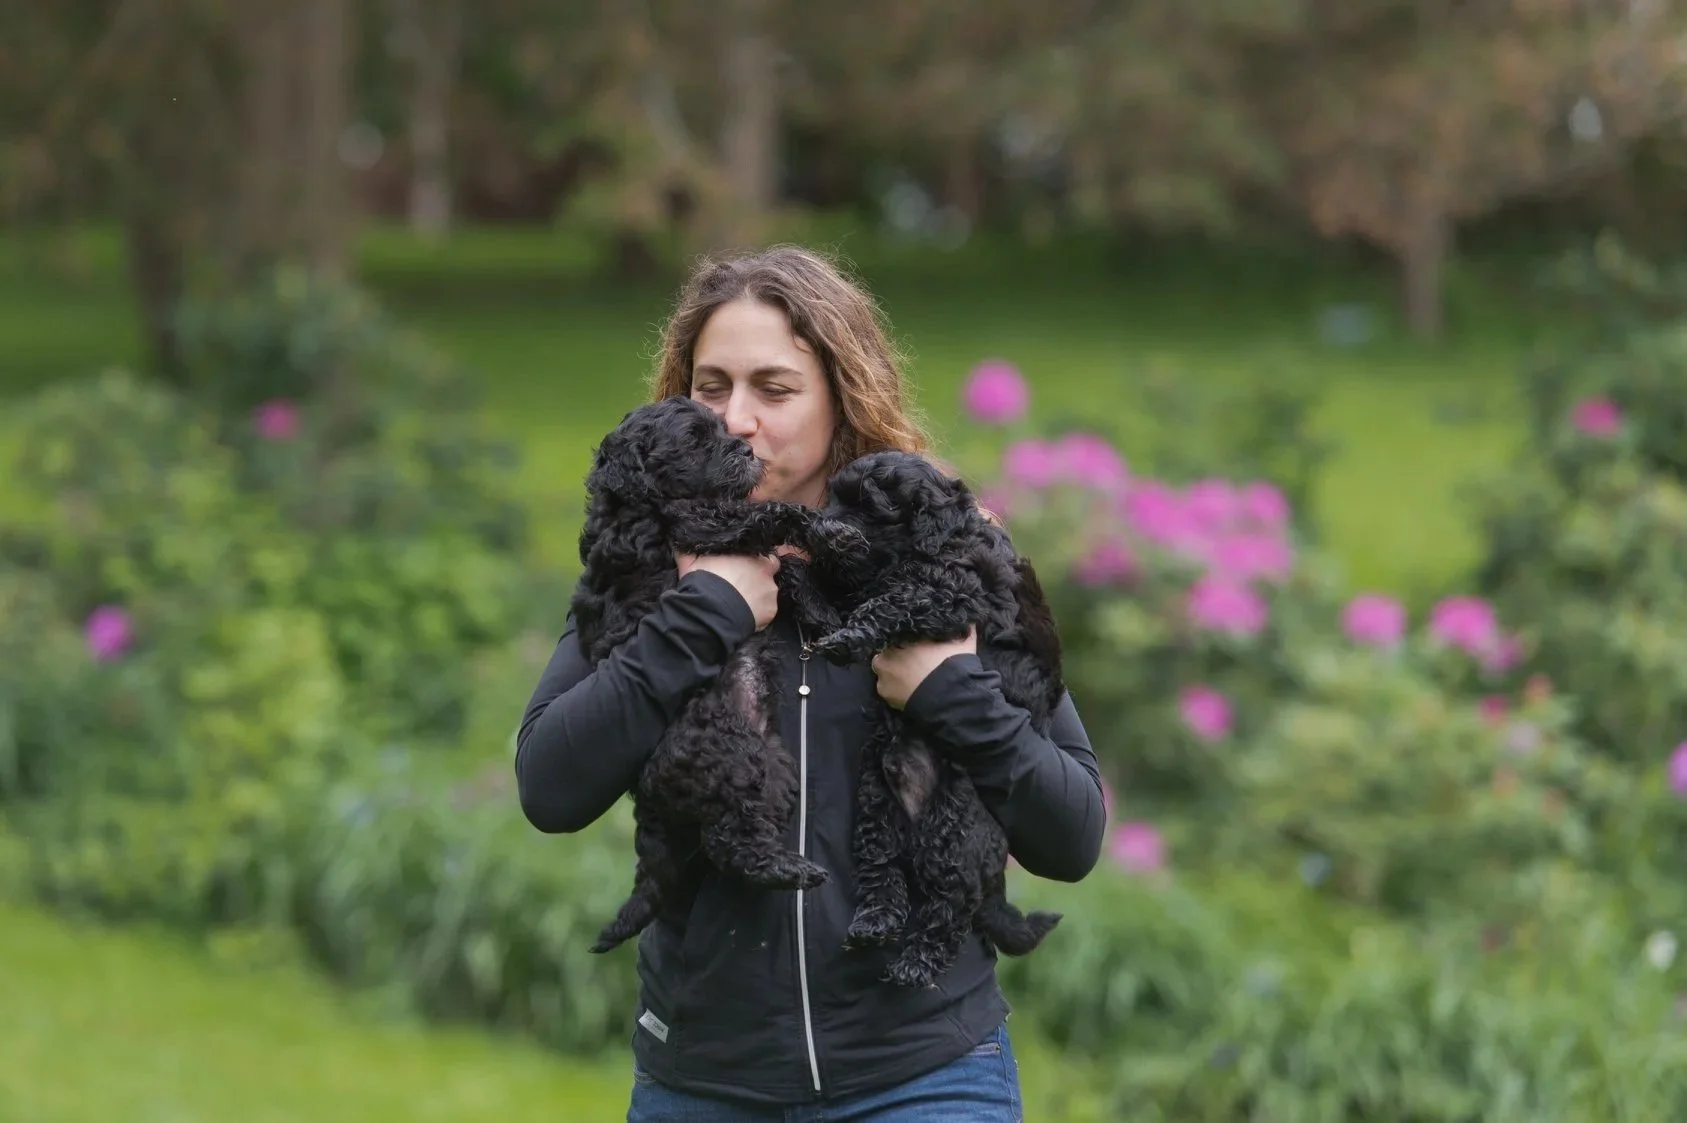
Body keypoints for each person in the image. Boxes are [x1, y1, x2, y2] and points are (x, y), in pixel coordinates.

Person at [515, 245, 1106, 1122]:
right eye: (709, 388)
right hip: (704, 1083)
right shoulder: (647, 568)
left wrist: (950, 688)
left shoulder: (942, 552)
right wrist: (703, 610)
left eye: (774, 388)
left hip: (925, 1076)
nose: (736, 419)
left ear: (843, 394)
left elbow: (1072, 830)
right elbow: (550, 787)